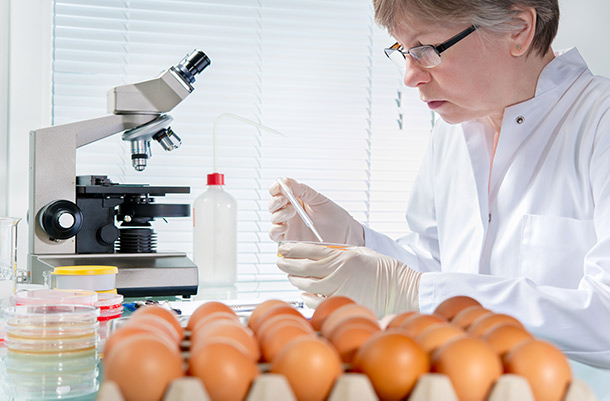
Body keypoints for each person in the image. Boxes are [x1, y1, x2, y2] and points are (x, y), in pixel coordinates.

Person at [268, 0, 610, 369]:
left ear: (518, 30)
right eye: (403, 51)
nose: (410, 76)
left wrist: (413, 291)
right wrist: (351, 239)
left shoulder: (599, 123)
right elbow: (434, 269)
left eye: (427, 50)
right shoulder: (456, 130)